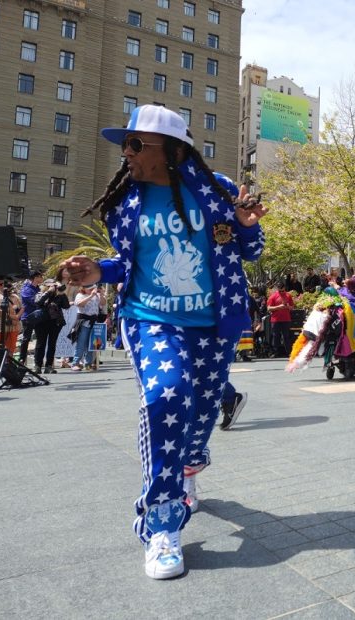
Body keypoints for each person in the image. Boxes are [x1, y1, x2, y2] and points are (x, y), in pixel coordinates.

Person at [60, 104, 267, 579]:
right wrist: (98, 270)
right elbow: (125, 263)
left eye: (135, 144)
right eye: (124, 144)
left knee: (198, 416)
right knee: (166, 395)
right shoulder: (124, 202)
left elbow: (250, 252)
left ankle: (190, 463)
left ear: (171, 151)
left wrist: (249, 224)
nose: (125, 154)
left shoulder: (218, 194)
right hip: (149, 318)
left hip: (214, 324)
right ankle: (162, 522)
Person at [32, 277, 70, 374]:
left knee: (52, 344)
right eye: (51, 286)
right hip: (41, 322)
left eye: (54, 286)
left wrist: (62, 294)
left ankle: (49, 366)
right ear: (45, 286)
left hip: (55, 322)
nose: (53, 288)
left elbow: (66, 306)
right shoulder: (40, 294)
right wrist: (48, 292)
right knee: (40, 344)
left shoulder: (59, 296)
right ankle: (38, 366)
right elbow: (38, 302)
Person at [69, 284, 102, 371]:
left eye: (92, 288)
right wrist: (91, 296)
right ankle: (75, 363)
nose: (92, 290)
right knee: (81, 343)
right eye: (90, 289)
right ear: (84, 288)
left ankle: (88, 364)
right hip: (84, 322)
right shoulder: (80, 295)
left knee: (91, 344)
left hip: (94, 322)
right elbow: (79, 304)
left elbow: (103, 303)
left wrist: (101, 294)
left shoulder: (96, 296)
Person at [0, 279, 22, 354]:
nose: (5, 285)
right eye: (2, 284)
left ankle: (8, 363)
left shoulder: (15, 296)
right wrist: (11, 316)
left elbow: (21, 308)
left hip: (13, 326)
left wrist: (17, 317)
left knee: (11, 347)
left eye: (7, 284)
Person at [17, 271, 44, 364]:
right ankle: (22, 360)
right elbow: (34, 301)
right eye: (40, 276)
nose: (42, 278)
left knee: (40, 339)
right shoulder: (26, 289)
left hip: (39, 316)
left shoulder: (39, 288)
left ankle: (38, 362)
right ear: (35, 278)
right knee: (26, 339)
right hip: (28, 317)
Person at [267, 283, 295, 357]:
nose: (282, 292)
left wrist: (289, 307)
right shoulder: (273, 296)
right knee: (276, 336)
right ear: (277, 290)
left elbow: (292, 307)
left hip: (286, 319)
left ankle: (288, 352)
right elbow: (269, 308)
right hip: (276, 320)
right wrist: (278, 307)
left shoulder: (288, 295)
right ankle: (276, 352)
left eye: (283, 291)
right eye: (280, 291)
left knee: (286, 336)